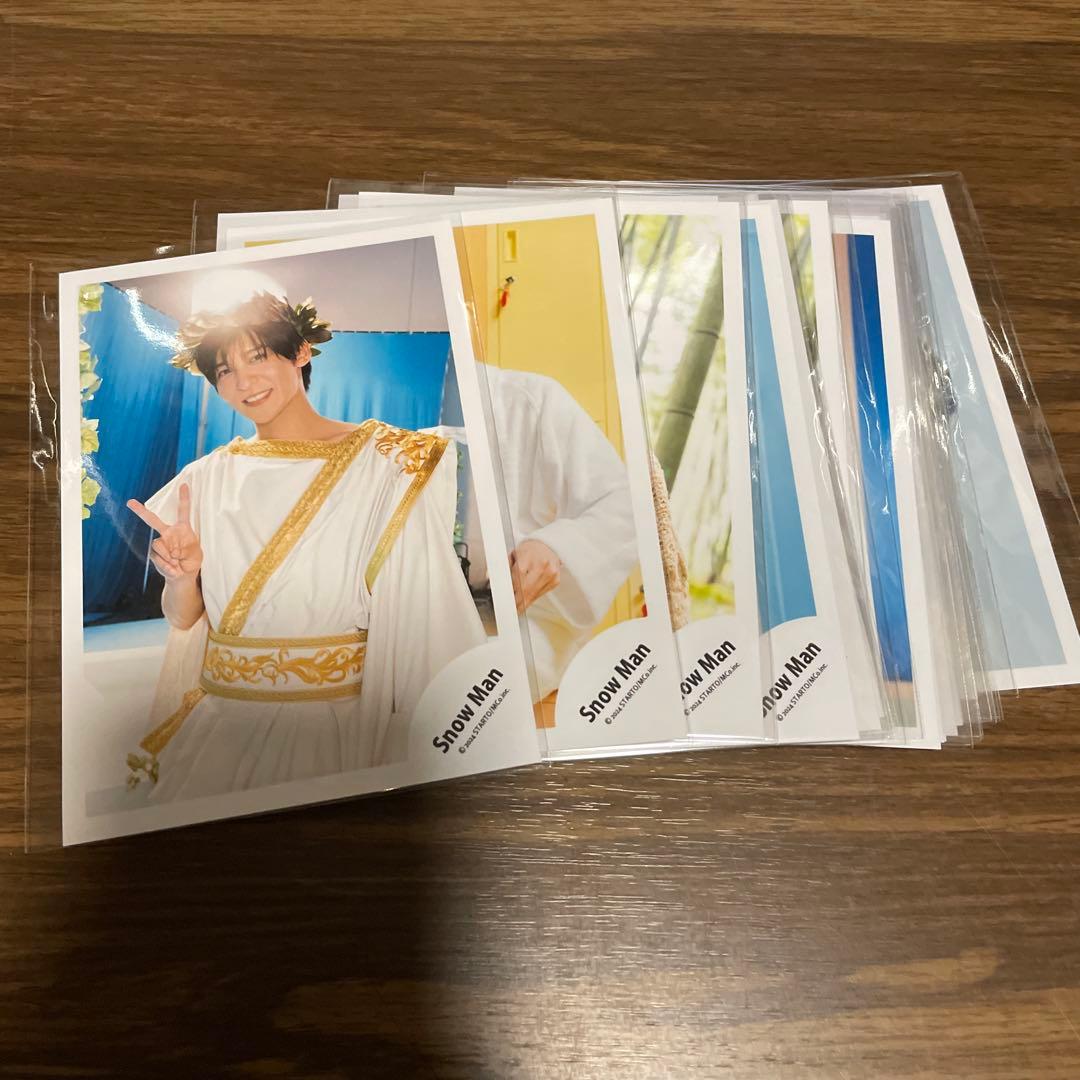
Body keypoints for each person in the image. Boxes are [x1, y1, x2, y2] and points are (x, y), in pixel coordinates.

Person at [124, 291, 484, 802]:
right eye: (224, 371)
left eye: (257, 357)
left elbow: (424, 604)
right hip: (222, 725)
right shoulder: (203, 479)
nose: (244, 381)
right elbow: (183, 618)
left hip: (332, 727)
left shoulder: (388, 462)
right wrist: (181, 579)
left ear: (300, 352)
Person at [463, 366, 641, 723]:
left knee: (462, 696)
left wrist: (554, 547)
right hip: (409, 618)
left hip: (520, 622)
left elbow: (624, 505)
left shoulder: (531, 398)